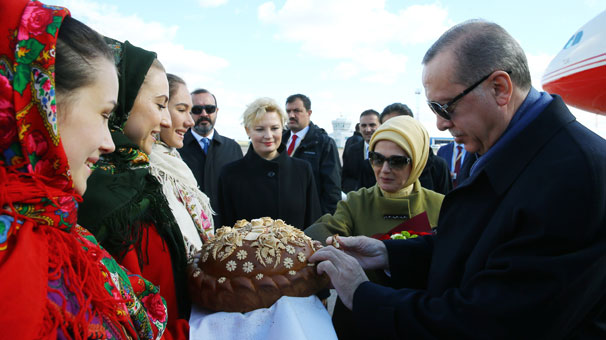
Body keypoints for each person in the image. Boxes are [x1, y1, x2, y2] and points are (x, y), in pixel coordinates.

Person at [310, 19, 606, 339]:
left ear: (500, 89)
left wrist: (363, 294)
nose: (438, 124)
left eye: (445, 106)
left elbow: (492, 322)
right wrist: (390, 254)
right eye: (432, 107)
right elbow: (474, 246)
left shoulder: (576, 174)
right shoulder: (490, 146)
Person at [0, 2, 167, 338]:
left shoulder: (56, 227)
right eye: (105, 115)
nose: (109, 143)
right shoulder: (17, 264)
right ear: (41, 107)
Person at [77, 40, 190, 340]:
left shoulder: (138, 175)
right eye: (159, 104)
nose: (167, 120)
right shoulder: (94, 188)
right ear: (122, 101)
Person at [305, 116, 444, 339]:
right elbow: (323, 230)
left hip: (415, 321)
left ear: (418, 160)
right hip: (357, 321)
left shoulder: (442, 206)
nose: (384, 169)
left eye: (397, 161)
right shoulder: (356, 201)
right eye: (376, 158)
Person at [217, 97, 321, 230]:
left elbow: (313, 223)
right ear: (248, 130)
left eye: (274, 128)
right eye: (260, 129)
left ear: (282, 129)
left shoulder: (303, 170)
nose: (268, 135)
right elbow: (224, 229)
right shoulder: (229, 174)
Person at [149, 74, 214, 257]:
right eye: (181, 110)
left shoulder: (174, 160)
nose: (190, 122)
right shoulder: (145, 169)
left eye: (189, 111)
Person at [178, 88, 243, 228]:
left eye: (209, 108)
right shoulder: (177, 148)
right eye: (197, 110)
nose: (204, 114)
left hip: (227, 232)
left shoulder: (233, 148)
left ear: (217, 111)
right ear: (188, 112)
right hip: (190, 230)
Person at [283, 94, 341, 215]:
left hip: (309, 214)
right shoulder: (279, 140)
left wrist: (324, 220)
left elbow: (332, 187)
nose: (291, 115)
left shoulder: (324, 143)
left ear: (309, 113)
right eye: (288, 111)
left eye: (297, 111)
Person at [380, 102, 452, 194]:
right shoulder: (373, 166)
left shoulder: (437, 165)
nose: (393, 132)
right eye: (386, 127)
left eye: (398, 126)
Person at [341, 110, 380, 193]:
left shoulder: (387, 151)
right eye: (363, 125)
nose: (368, 129)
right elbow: (346, 177)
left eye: (372, 125)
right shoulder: (352, 150)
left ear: (380, 125)